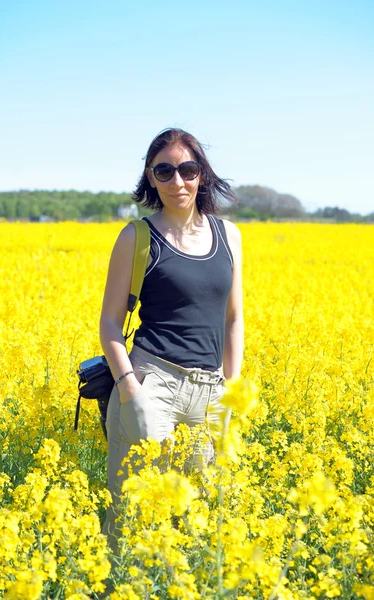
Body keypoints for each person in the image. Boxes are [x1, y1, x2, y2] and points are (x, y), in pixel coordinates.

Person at [99, 128, 244, 545]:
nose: (177, 181)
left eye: (187, 169)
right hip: (152, 383)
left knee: (197, 520)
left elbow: (234, 319)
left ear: (202, 174)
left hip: (210, 391)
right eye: (164, 171)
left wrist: (229, 397)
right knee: (134, 517)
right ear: (150, 177)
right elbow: (109, 324)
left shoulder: (229, 236)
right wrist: (130, 390)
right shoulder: (136, 237)